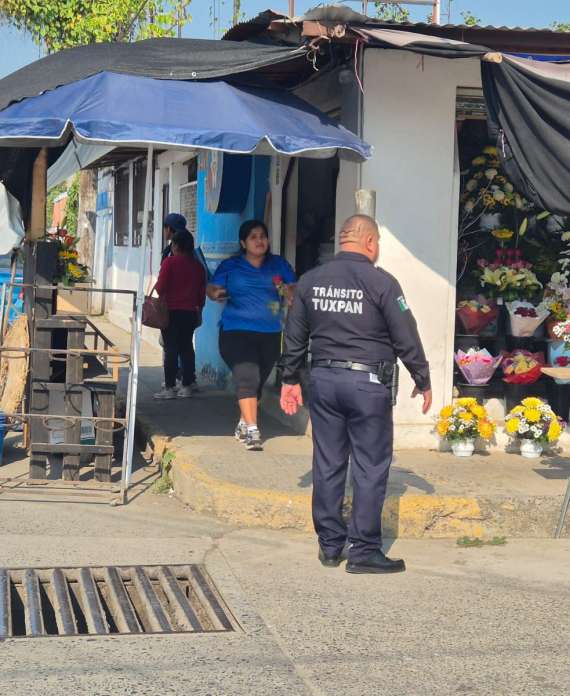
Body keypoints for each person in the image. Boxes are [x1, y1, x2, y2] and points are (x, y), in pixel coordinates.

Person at [279, 215, 432, 574]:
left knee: (328, 462)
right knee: (369, 466)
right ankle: (363, 551)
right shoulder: (382, 282)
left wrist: (289, 378)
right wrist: (422, 377)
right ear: (370, 242)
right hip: (368, 385)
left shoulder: (311, 281)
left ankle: (330, 547)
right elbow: (405, 333)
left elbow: (294, 333)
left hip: (324, 381)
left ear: (342, 239)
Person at [207, 220, 296, 451]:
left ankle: (243, 422)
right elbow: (212, 288)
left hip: (270, 332)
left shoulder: (278, 264)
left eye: (262, 236)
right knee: (247, 376)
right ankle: (253, 430)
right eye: (253, 237)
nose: (259, 241)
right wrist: (216, 293)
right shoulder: (231, 265)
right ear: (243, 243)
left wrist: (288, 291)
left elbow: (292, 288)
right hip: (235, 330)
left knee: (257, 381)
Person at [153, 229, 206, 400]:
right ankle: (187, 385)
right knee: (187, 348)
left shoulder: (169, 263)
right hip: (190, 313)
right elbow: (201, 294)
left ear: (175, 245)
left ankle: (169, 387)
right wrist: (199, 312)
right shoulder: (198, 266)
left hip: (171, 312)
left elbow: (160, 288)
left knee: (171, 349)